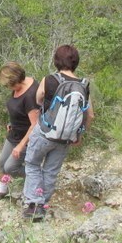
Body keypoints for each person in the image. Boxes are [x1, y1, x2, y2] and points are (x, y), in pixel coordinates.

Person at [22, 45, 94, 221]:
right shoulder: (84, 85)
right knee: (51, 170)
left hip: (45, 132)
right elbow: (90, 114)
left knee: (32, 164)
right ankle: (43, 205)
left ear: (56, 60)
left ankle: (33, 204)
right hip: (65, 138)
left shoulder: (49, 79)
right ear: (76, 62)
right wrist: (79, 134)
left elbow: (38, 99)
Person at [0, 62, 40, 203]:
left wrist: (21, 146)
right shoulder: (18, 87)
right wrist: (12, 122)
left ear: (16, 80)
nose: (8, 88)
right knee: (2, 162)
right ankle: (2, 190)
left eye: (8, 85)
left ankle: (37, 178)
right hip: (14, 133)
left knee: (11, 167)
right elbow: (17, 108)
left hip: (25, 138)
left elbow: (35, 124)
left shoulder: (30, 95)